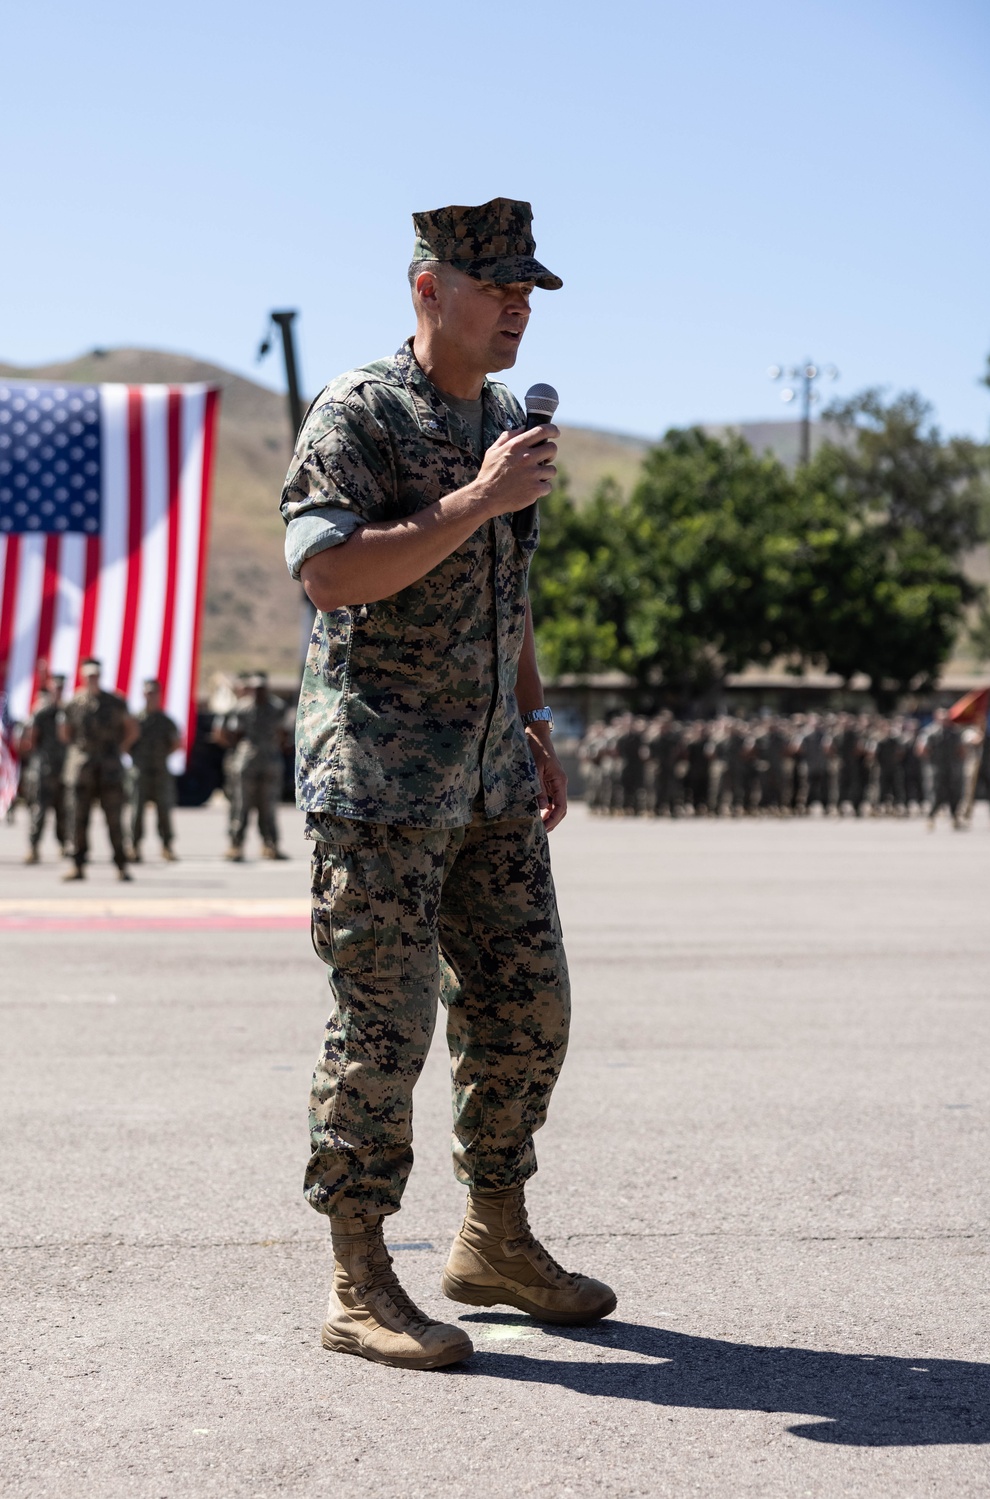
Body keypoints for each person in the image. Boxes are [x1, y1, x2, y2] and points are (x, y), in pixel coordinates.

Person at [280, 197, 614, 1371]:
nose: (519, 305)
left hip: (486, 779)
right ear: (430, 290)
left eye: (530, 290)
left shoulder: (506, 420)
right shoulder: (360, 413)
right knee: (385, 1029)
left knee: (528, 1012)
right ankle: (358, 1277)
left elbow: (503, 588)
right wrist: (474, 496)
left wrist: (531, 719)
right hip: (377, 780)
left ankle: (493, 1238)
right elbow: (327, 573)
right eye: (498, 286)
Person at [59, 658, 137, 881]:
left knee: (114, 819)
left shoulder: (115, 702)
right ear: (83, 677)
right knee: (78, 819)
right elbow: (65, 733)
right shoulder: (74, 703)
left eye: (96, 675)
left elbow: (131, 729)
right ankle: (78, 865)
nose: (92, 679)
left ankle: (121, 865)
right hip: (82, 768)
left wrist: (119, 749)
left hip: (109, 768)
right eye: (89, 676)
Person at [218, 672, 289, 861]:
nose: (259, 693)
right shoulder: (242, 708)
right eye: (256, 689)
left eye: (262, 689)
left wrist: (275, 747)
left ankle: (270, 845)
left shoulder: (277, 708)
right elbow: (231, 733)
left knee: (269, 806)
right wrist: (237, 751)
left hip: (270, 763)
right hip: (247, 762)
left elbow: (284, 733)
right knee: (241, 804)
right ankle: (236, 845)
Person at [127, 678, 180, 862]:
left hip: (160, 772)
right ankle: (134, 847)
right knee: (136, 811)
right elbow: (126, 743)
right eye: (148, 693)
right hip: (139, 771)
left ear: (159, 695)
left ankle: (167, 846)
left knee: (164, 811)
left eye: (154, 693)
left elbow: (176, 744)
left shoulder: (166, 721)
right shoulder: (135, 720)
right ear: (143, 694)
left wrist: (160, 757)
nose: (151, 696)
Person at [21, 672, 67, 863]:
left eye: (61, 688)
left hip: (63, 769)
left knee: (63, 810)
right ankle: (33, 847)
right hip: (44, 768)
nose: (58, 691)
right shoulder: (42, 712)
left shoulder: (67, 711)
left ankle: (65, 845)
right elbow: (31, 739)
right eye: (55, 688)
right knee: (39, 809)